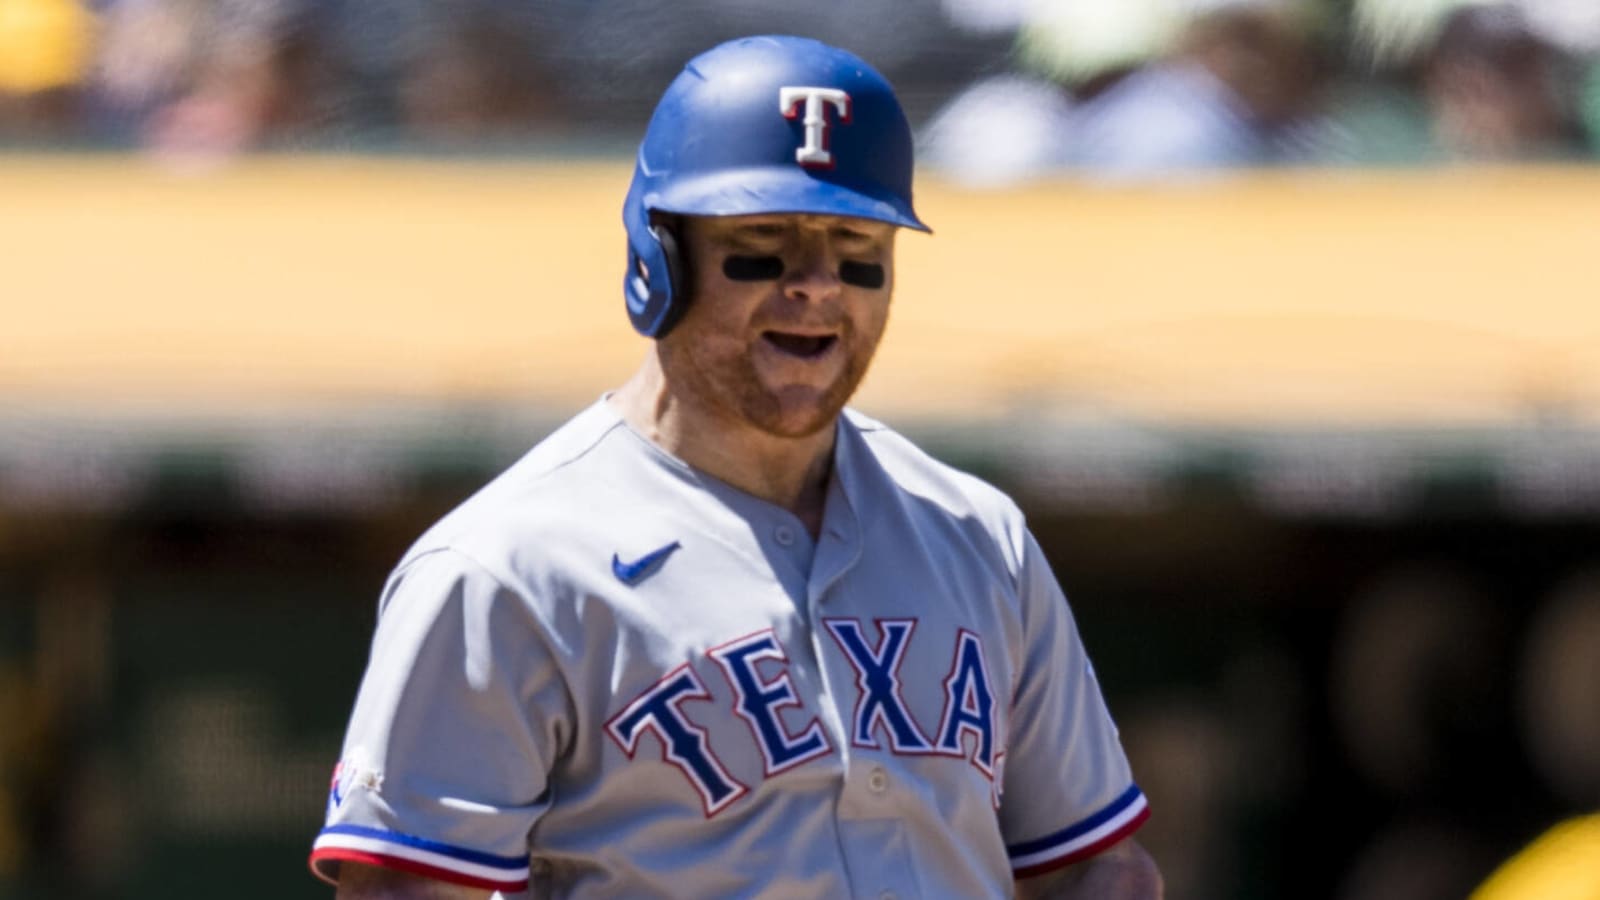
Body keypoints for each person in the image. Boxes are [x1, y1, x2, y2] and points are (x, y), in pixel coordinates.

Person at [308, 34, 1162, 899]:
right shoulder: (506, 570)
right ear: (659, 258)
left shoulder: (978, 537)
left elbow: (1095, 863)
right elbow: (406, 888)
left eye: (858, 247)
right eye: (764, 242)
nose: (818, 285)